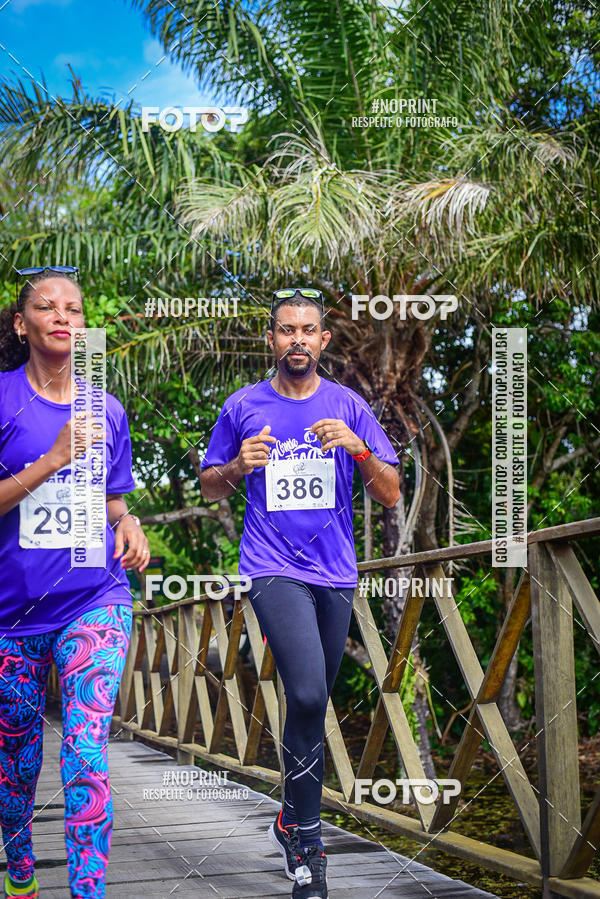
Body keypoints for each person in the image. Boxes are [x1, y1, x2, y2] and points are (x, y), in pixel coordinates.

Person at [199, 287, 400, 899]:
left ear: (323, 341)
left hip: (335, 574)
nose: (297, 340)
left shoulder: (348, 405)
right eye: (287, 330)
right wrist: (237, 467)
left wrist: (358, 447)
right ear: (271, 340)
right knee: (308, 690)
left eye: (308, 330)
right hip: (271, 568)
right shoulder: (242, 406)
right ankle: (309, 845)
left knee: (311, 703)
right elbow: (209, 487)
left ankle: (289, 817)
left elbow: (390, 493)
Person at [0, 268, 150, 899]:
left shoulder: (106, 408)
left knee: (86, 747)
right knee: (18, 763)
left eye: (74, 309)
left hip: (96, 597)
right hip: (12, 614)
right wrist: (54, 458)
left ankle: (90, 892)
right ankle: (19, 865)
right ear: (21, 323)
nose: (63, 316)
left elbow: (111, 501)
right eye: (47, 306)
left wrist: (131, 522)